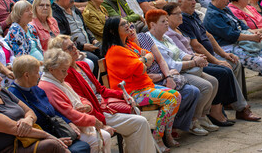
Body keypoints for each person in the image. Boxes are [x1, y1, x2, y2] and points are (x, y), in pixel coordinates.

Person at [50, 35, 155, 153]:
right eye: (69, 48)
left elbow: (101, 89)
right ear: (61, 54)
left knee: (138, 120)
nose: (74, 48)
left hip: (104, 105)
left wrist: (122, 95)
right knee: (140, 123)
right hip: (98, 112)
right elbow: (83, 103)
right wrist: (101, 123)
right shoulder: (67, 73)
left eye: (73, 44)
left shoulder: (82, 65)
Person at [175, 0, 261, 122]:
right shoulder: (183, 19)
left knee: (234, 62)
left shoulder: (194, 15)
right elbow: (196, 45)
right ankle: (241, 108)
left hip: (211, 54)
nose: (194, 2)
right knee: (226, 68)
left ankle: (232, 101)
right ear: (180, 2)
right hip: (200, 58)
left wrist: (224, 54)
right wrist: (216, 61)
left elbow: (208, 36)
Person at [101, 17, 181, 153]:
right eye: (123, 24)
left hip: (144, 86)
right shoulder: (116, 51)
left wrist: (144, 60)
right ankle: (157, 137)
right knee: (171, 99)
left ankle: (166, 135)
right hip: (131, 93)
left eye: (127, 22)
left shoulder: (129, 45)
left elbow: (150, 56)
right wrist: (144, 60)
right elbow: (142, 67)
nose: (127, 26)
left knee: (176, 95)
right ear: (113, 31)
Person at [155, 6, 240, 126]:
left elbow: (183, 52)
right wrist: (197, 61)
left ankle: (205, 114)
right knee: (217, 78)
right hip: (181, 70)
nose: (181, 15)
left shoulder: (169, 34)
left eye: (181, 12)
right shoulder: (167, 35)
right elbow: (174, 62)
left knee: (218, 77)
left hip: (191, 63)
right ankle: (196, 119)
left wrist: (195, 57)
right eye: (163, 21)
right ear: (153, 25)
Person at [9, 55, 91, 153]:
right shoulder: (14, 96)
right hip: (43, 140)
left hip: (56, 131)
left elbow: (51, 110)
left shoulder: (34, 87)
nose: (39, 76)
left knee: (83, 145)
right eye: (36, 73)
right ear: (26, 75)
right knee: (79, 148)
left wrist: (69, 122)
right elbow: (28, 129)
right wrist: (53, 141)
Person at [38, 49, 112, 153]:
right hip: (69, 128)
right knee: (98, 139)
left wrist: (87, 106)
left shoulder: (59, 80)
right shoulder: (47, 86)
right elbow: (68, 113)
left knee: (105, 136)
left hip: (78, 122)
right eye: (63, 70)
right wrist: (93, 120)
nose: (66, 74)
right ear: (51, 69)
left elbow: (81, 98)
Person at [131, 28, 200, 137]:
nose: (131, 30)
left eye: (131, 26)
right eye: (163, 22)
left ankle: (174, 126)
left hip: (162, 75)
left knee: (193, 91)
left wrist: (168, 76)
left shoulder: (144, 37)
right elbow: (141, 72)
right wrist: (161, 73)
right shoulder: (127, 48)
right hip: (146, 84)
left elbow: (160, 59)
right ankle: (160, 134)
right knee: (173, 96)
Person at [0, 63, 70, 153]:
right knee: (54, 145)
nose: (0, 79)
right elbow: (15, 128)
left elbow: (29, 111)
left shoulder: (3, 92)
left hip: (28, 139)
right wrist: (48, 136)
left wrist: (28, 119)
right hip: (11, 148)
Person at [52, 0, 99, 74]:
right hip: (74, 48)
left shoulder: (75, 10)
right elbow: (64, 37)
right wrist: (82, 46)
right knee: (94, 59)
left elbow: (85, 28)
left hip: (88, 44)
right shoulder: (56, 14)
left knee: (105, 50)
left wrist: (93, 39)